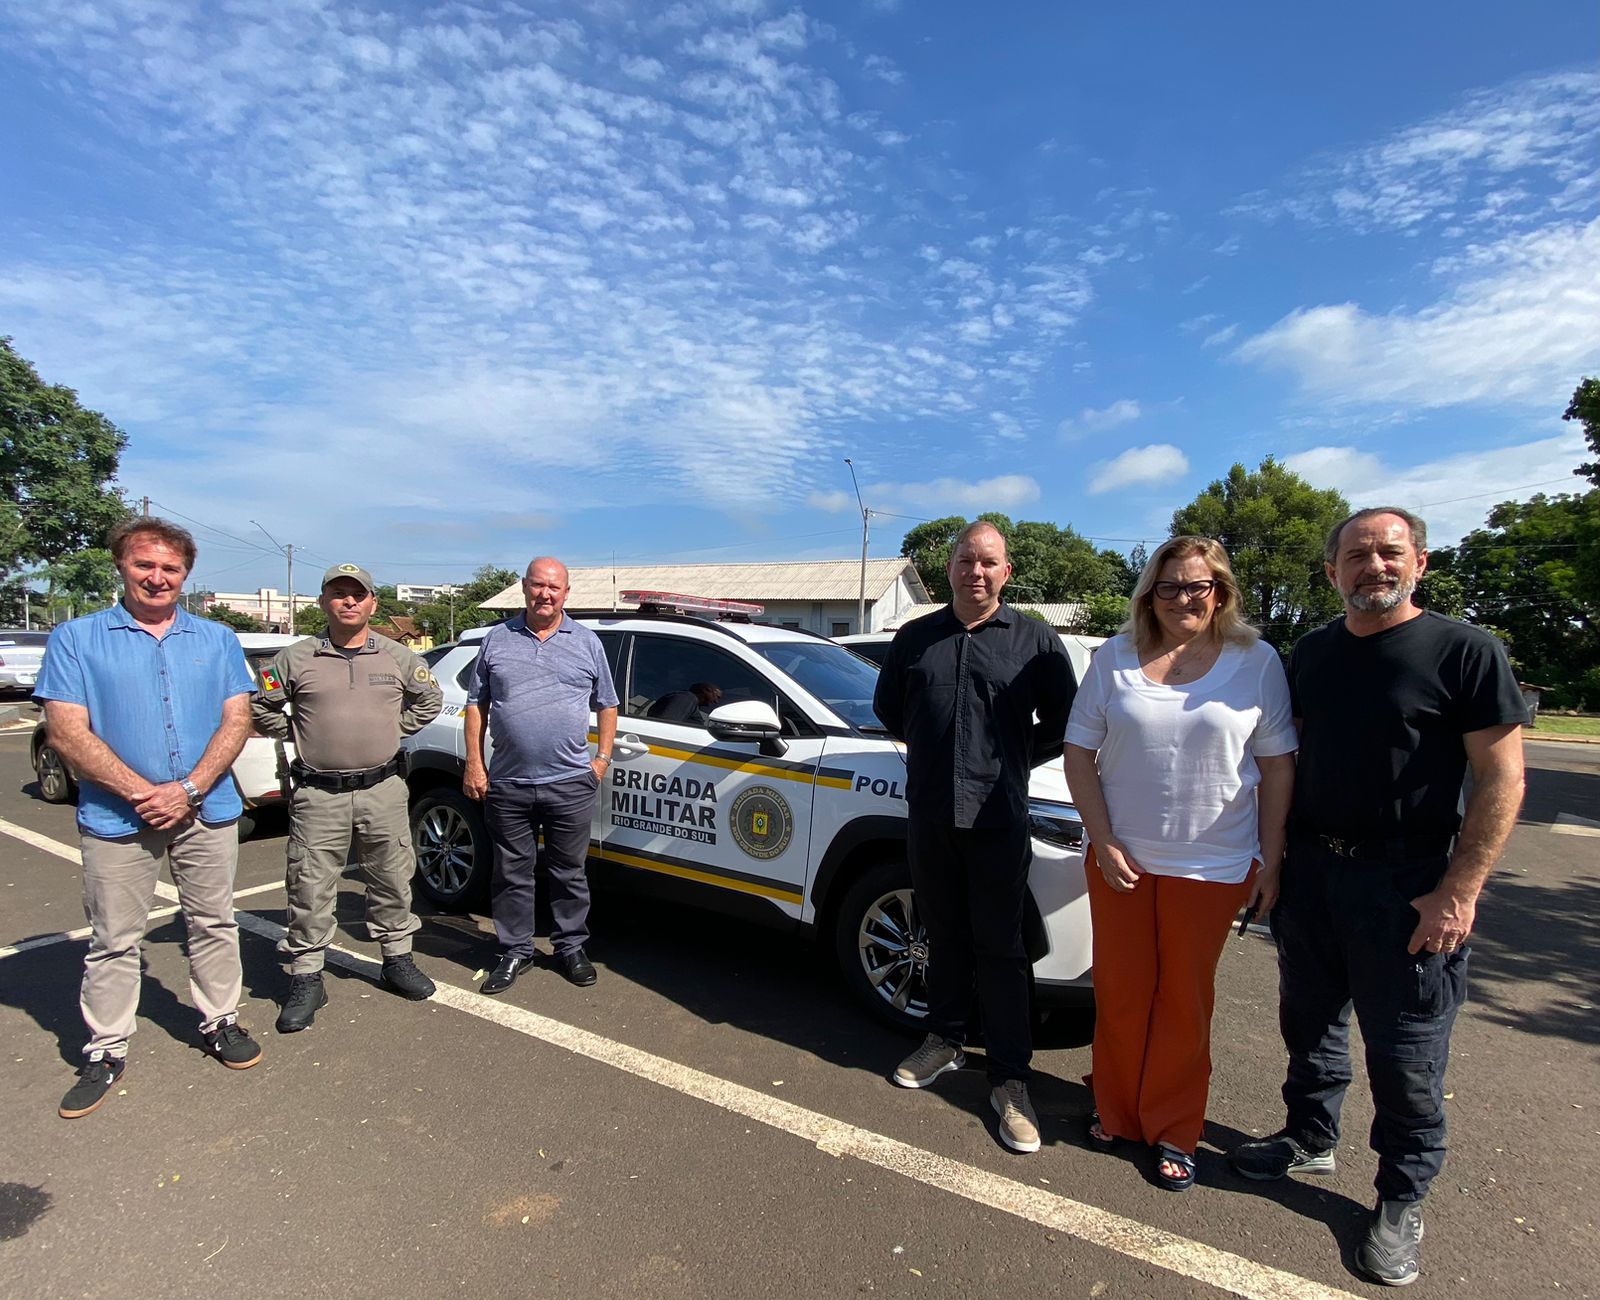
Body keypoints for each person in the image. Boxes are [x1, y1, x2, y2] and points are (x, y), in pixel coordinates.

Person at [1230, 507, 1525, 1287]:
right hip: (1314, 873)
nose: (1374, 566)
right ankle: (1309, 1136)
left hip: (1408, 884)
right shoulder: (1313, 652)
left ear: (1420, 562)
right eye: (1356, 555)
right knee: (1309, 1025)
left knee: (1406, 1056)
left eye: (1389, 552)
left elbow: (1502, 778)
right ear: (1332, 571)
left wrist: (1459, 891)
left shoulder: (1465, 652)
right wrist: (1273, 862)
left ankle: (1401, 1197)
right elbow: (1282, 759)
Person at [1064, 537, 1296, 1191]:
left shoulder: (1256, 661)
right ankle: (1115, 1107)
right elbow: (1079, 753)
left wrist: (1272, 859)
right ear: (1149, 594)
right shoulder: (1114, 657)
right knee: (1121, 991)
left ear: (1220, 593)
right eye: (1168, 586)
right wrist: (1102, 838)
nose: (1183, 598)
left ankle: (1173, 1127)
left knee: (1184, 1001)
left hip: (1214, 865)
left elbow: (1278, 766)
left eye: (1198, 586)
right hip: (1120, 860)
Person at [35, 517, 262, 1119]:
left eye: (170, 568)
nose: (157, 577)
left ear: (186, 575)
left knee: (213, 921)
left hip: (206, 808)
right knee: (113, 938)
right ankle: (107, 1047)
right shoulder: (77, 639)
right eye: (145, 565)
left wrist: (188, 789)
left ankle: (220, 1020)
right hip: (117, 815)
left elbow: (236, 720)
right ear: (122, 565)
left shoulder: (216, 639)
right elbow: (66, 731)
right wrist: (146, 793)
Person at [872, 520, 1075, 1154]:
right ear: (950, 568)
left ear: (1006, 572)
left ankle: (1010, 1079)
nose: (976, 571)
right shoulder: (915, 638)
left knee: (1002, 947)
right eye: (966, 560)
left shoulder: (1035, 641)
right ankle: (944, 1040)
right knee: (942, 933)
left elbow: (1065, 720)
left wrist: (1009, 759)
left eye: (988, 562)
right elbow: (890, 709)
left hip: (997, 820)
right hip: (930, 815)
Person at [251, 563, 444, 1033]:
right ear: (324, 602)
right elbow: (260, 705)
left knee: (392, 878)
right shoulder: (294, 658)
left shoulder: (398, 657)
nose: (349, 601)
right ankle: (306, 977)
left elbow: (429, 701)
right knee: (309, 885)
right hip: (319, 794)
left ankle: (397, 959)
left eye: (358, 594)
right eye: (339, 593)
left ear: (373, 603)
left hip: (383, 789)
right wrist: (296, 731)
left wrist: (393, 730)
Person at [465, 556, 619, 994]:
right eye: (538, 585)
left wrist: (601, 761)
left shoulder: (587, 642)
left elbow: (607, 704)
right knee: (512, 872)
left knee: (569, 871)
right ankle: (515, 950)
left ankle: (570, 947)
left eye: (554, 587)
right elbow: (476, 704)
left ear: (566, 593)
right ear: (524, 587)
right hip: (509, 783)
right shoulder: (497, 639)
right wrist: (475, 763)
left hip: (570, 782)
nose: (545, 594)